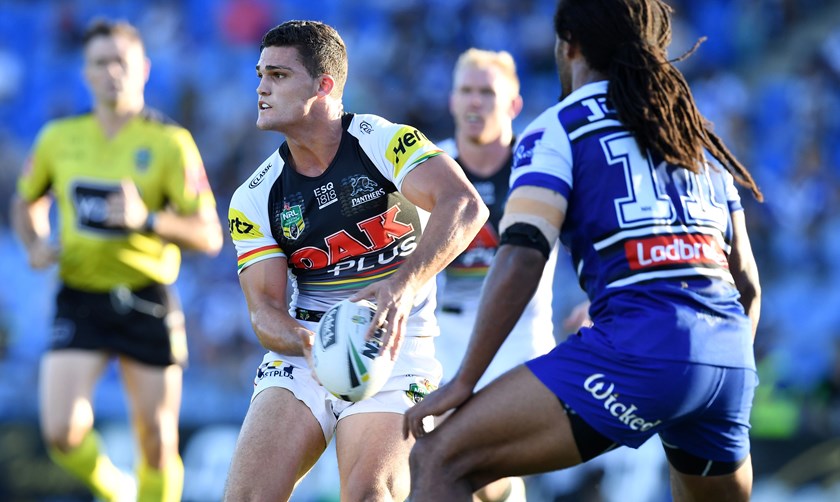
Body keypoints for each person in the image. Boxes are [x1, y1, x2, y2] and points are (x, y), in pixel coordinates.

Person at [404, 0, 764, 501]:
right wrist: (715, 372)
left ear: (569, 44)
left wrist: (465, 381)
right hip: (727, 360)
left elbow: (523, 254)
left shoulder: (556, 127)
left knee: (437, 458)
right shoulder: (692, 139)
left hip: (639, 351)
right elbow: (746, 282)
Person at [223, 20, 487, 501]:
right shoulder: (254, 197)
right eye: (260, 74)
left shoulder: (384, 142)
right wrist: (309, 343)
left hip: (398, 350)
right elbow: (263, 309)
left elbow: (465, 206)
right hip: (304, 353)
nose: (261, 87)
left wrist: (400, 289)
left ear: (324, 85)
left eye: (279, 76)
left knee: (370, 496)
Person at [10, 18, 224, 502]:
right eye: (99, 63)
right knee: (62, 433)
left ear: (143, 69)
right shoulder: (58, 138)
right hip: (80, 295)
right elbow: (26, 202)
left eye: (120, 62)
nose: (111, 73)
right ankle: (118, 494)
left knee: (156, 445)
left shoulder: (171, 144)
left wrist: (146, 219)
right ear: (85, 72)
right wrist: (36, 242)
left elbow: (210, 234)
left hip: (145, 298)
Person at [434, 48, 557, 502]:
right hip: (441, 340)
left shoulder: (541, 165)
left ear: (513, 105)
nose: (475, 102)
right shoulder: (428, 169)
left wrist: (596, 303)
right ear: (451, 100)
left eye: (487, 92)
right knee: (441, 467)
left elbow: (589, 237)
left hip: (520, 341)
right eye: (466, 90)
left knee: (467, 463)